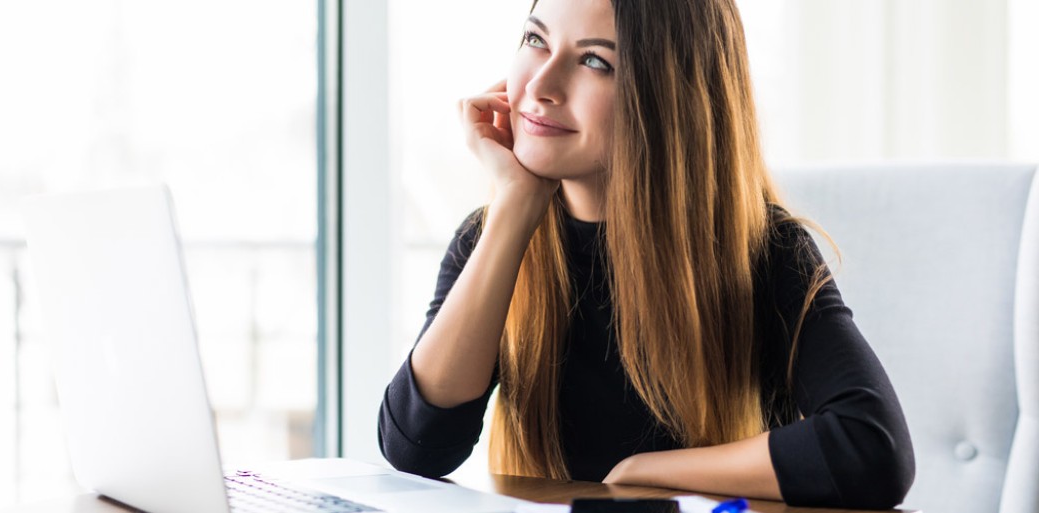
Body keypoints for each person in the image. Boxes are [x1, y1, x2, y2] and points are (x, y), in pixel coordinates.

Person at [377, 0, 915, 509]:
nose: (540, 87)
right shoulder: (489, 239)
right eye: (536, 39)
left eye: (594, 61)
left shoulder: (763, 247)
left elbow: (873, 447)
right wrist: (516, 207)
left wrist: (649, 472)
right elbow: (417, 451)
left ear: (668, 94)